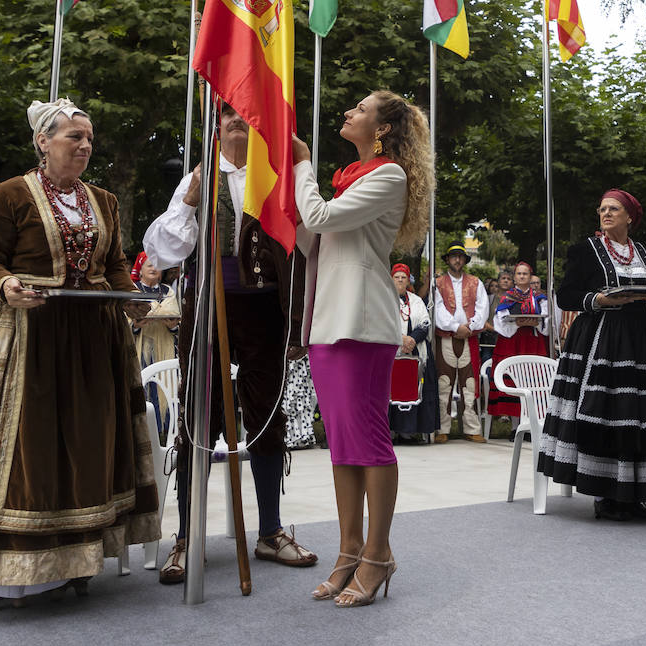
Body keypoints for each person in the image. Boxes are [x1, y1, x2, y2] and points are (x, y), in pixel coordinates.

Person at [0, 99, 160, 611]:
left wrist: (129, 298)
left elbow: (111, 264)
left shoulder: (105, 201)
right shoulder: (8, 195)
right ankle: (15, 574)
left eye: (89, 138)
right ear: (43, 142)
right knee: (31, 446)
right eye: (74, 136)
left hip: (93, 339)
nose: (85, 145)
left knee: (88, 443)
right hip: (28, 334)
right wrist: (5, 285)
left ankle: (77, 560)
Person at [142, 106, 315, 585]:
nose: (236, 119)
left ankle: (270, 531)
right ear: (216, 125)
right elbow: (163, 251)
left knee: (266, 416)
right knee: (200, 416)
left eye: (244, 113)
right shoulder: (200, 172)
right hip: (207, 310)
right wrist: (189, 203)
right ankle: (185, 535)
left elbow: (307, 242)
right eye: (227, 113)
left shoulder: (274, 174)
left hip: (264, 310)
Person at [292, 89, 434, 608]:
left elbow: (323, 220)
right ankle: (349, 549)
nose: (348, 113)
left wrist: (302, 167)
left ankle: (378, 554)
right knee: (343, 445)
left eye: (361, 109)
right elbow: (313, 236)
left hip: (362, 321)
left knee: (369, 442)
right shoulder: (350, 179)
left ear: (382, 130)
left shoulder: (388, 175)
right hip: (330, 319)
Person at [537, 189, 646, 522]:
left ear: (630, 217)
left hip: (643, 341)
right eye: (603, 209)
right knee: (607, 411)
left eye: (614, 209)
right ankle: (606, 494)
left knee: (640, 413)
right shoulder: (584, 250)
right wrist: (600, 300)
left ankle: (633, 493)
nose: (606, 214)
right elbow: (566, 296)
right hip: (601, 340)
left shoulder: (645, 253)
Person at [431, 244, 489, 443]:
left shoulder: (476, 282)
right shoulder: (437, 283)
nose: (457, 260)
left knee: (469, 384)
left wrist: (470, 327)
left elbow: (483, 309)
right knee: (444, 383)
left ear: (465, 260)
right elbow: (437, 310)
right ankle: (442, 428)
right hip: (446, 337)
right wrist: (456, 327)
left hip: (469, 337)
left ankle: (471, 428)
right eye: (454, 256)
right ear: (447, 259)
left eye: (461, 257)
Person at [488, 261, 550, 430]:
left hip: (533, 343)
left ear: (530, 277)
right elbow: (500, 323)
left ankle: (534, 427)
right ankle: (516, 428)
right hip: (511, 344)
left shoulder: (539, 298)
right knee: (514, 385)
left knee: (534, 385)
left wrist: (535, 323)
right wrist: (517, 324)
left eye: (525, 274)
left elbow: (547, 321)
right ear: (515, 277)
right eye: (519, 274)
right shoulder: (507, 297)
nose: (522, 276)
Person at [389, 262, 437, 442]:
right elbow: (381, 322)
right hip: (392, 351)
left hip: (415, 352)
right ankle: (391, 430)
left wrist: (411, 339)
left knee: (415, 390)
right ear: (391, 279)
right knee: (391, 392)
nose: (400, 280)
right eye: (397, 277)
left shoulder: (416, 300)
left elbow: (425, 323)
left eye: (403, 277)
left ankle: (409, 432)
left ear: (408, 280)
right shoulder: (384, 299)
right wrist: (399, 338)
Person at [127, 252, 180, 369]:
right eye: (149, 265)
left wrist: (172, 326)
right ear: (140, 271)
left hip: (165, 347)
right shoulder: (132, 290)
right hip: (139, 348)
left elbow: (175, 316)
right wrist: (135, 326)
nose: (153, 269)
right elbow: (124, 321)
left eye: (157, 265)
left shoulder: (168, 291)